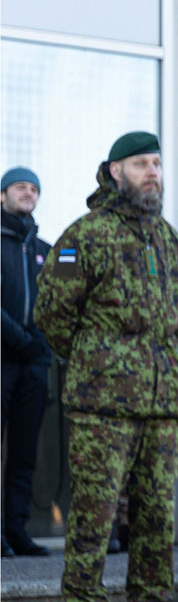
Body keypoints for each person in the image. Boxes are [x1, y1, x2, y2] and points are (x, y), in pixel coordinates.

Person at [35, 132, 178, 602]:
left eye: (156, 163)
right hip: (104, 401)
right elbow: (51, 315)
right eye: (140, 164)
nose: (152, 172)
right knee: (95, 513)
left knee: (155, 516)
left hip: (162, 401)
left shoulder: (170, 239)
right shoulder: (83, 236)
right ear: (114, 171)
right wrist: (96, 359)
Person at [1, 166, 52, 558]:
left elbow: (56, 308)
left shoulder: (45, 250)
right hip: (5, 358)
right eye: (20, 186)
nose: (28, 193)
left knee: (23, 452)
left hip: (33, 365)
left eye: (34, 188)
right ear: (2, 195)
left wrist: (41, 347)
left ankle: (15, 530)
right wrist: (22, 341)